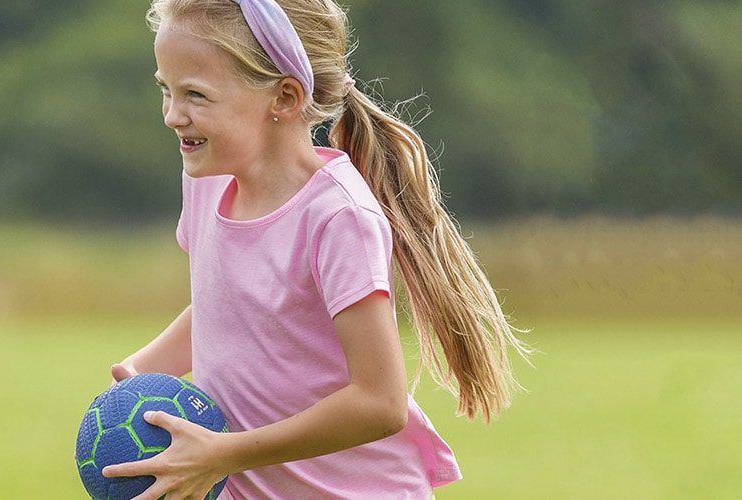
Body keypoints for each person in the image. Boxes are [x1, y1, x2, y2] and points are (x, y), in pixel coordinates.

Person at [105, 0, 531, 498]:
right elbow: (232, 307)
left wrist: (225, 452)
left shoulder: (338, 217)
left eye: (195, 95)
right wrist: (140, 369)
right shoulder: (207, 178)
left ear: (284, 97)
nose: (173, 115)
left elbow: (379, 403)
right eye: (166, 90)